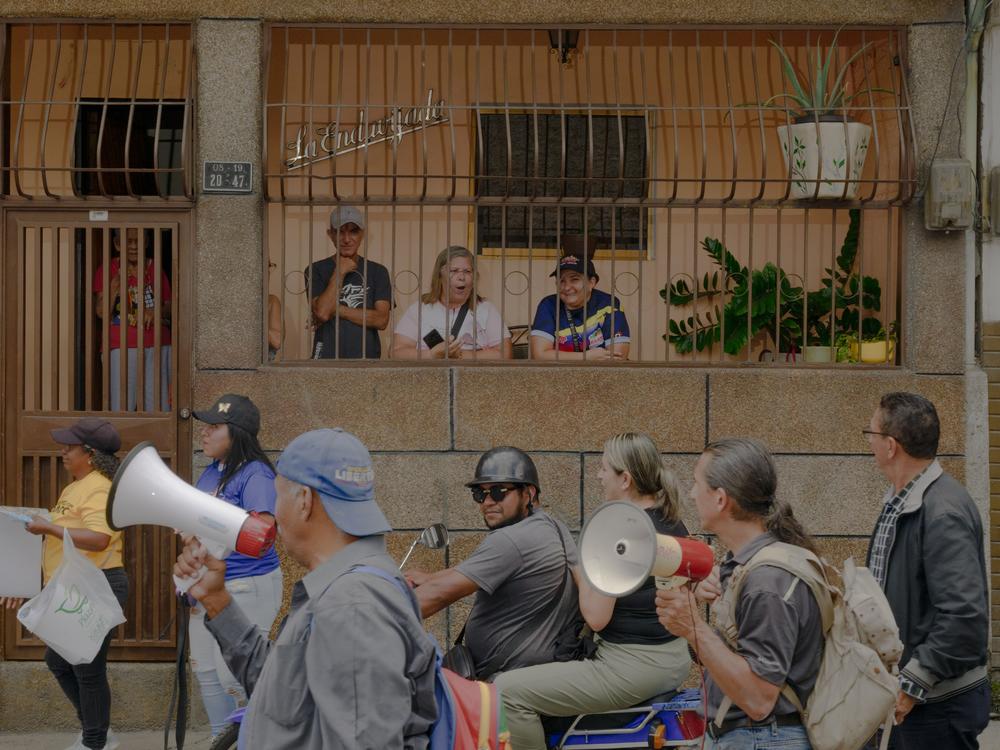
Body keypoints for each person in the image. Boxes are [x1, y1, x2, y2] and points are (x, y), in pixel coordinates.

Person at [173, 428, 438, 748]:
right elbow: (282, 687)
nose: (274, 513)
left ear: (304, 501)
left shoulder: (351, 607)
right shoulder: (344, 591)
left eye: (276, 495)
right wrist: (216, 599)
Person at [495, 433, 692, 749]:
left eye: (604, 469)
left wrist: (579, 565)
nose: (599, 475)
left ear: (625, 479)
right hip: (673, 660)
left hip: (629, 666)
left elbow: (597, 618)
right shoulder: (672, 521)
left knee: (506, 692)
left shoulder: (618, 530)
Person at [656, 438, 821, 749]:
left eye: (696, 484)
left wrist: (694, 629)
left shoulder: (766, 581)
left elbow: (759, 700)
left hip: (762, 738)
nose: (691, 494)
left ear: (721, 499)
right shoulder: (748, 566)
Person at [863, 392, 989, 749]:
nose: (869, 442)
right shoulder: (902, 501)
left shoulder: (942, 511)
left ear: (890, 446)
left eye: (870, 434)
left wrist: (913, 683)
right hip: (912, 699)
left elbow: (964, 616)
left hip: (936, 706)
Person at [1, 417, 128, 750]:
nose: (62, 453)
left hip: (98, 583)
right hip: (74, 585)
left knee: (87, 666)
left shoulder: (100, 486)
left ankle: (95, 741)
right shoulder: (74, 487)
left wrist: (50, 528)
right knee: (59, 661)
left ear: (89, 453)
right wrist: (22, 581)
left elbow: (99, 539)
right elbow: (58, 543)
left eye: (68, 448)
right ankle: (97, 733)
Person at [407, 446, 579, 679]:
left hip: (502, 677)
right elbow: (476, 571)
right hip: (539, 667)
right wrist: (431, 578)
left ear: (528, 493)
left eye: (499, 492)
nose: (487, 501)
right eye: (480, 493)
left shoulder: (510, 540)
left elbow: (438, 595)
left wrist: (376, 615)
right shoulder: (554, 526)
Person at [189, 394, 283, 739]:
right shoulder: (211, 473)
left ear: (237, 434)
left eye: (214, 427)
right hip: (206, 584)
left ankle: (253, 740)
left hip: (247, 585)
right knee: (206, 670)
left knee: (234, 674)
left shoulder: (255, 474)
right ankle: (221, 740)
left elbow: (262, 533)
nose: (205, 433)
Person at [94, 227, 172, 410]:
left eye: (138, 241)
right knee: (122, 406)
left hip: (157, 343)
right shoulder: (108, 268)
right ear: (117, 244)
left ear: (146, 243)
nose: (134, 246)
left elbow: (170, 307)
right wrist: (115, 284)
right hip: (120, 344)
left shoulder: (155, 267)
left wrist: (155, 311)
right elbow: (100, 312)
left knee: (157, 406)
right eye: (128, 241)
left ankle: (156, 439)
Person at [392, 245, 511, 359]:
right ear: (439, 275)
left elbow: (505, 354)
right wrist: (433, 355)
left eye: (468, 271)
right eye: (454, 270)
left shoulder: (486, 309)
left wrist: (458, 355)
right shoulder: (420, 309)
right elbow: (395, 352)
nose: (461, 277)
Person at [306, 206, 392, 359]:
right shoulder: (315, 269)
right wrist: (339, 272)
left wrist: (335, 309)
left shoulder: (378, 271)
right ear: (330, 234)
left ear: (362, 234)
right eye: (340, 232)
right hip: (325, 358)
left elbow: (381, 320)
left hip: (367, 359)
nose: (346, 239)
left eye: (353, 231)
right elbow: (323, 313)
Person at [529, 235, 630, 361]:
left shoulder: (609, 304)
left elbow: (617, 357)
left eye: (575, 279)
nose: (566, 287)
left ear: (591, 283)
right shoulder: (548, 305)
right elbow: (540, 355)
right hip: (558, 377)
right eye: (561, 281)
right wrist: (585, 357)